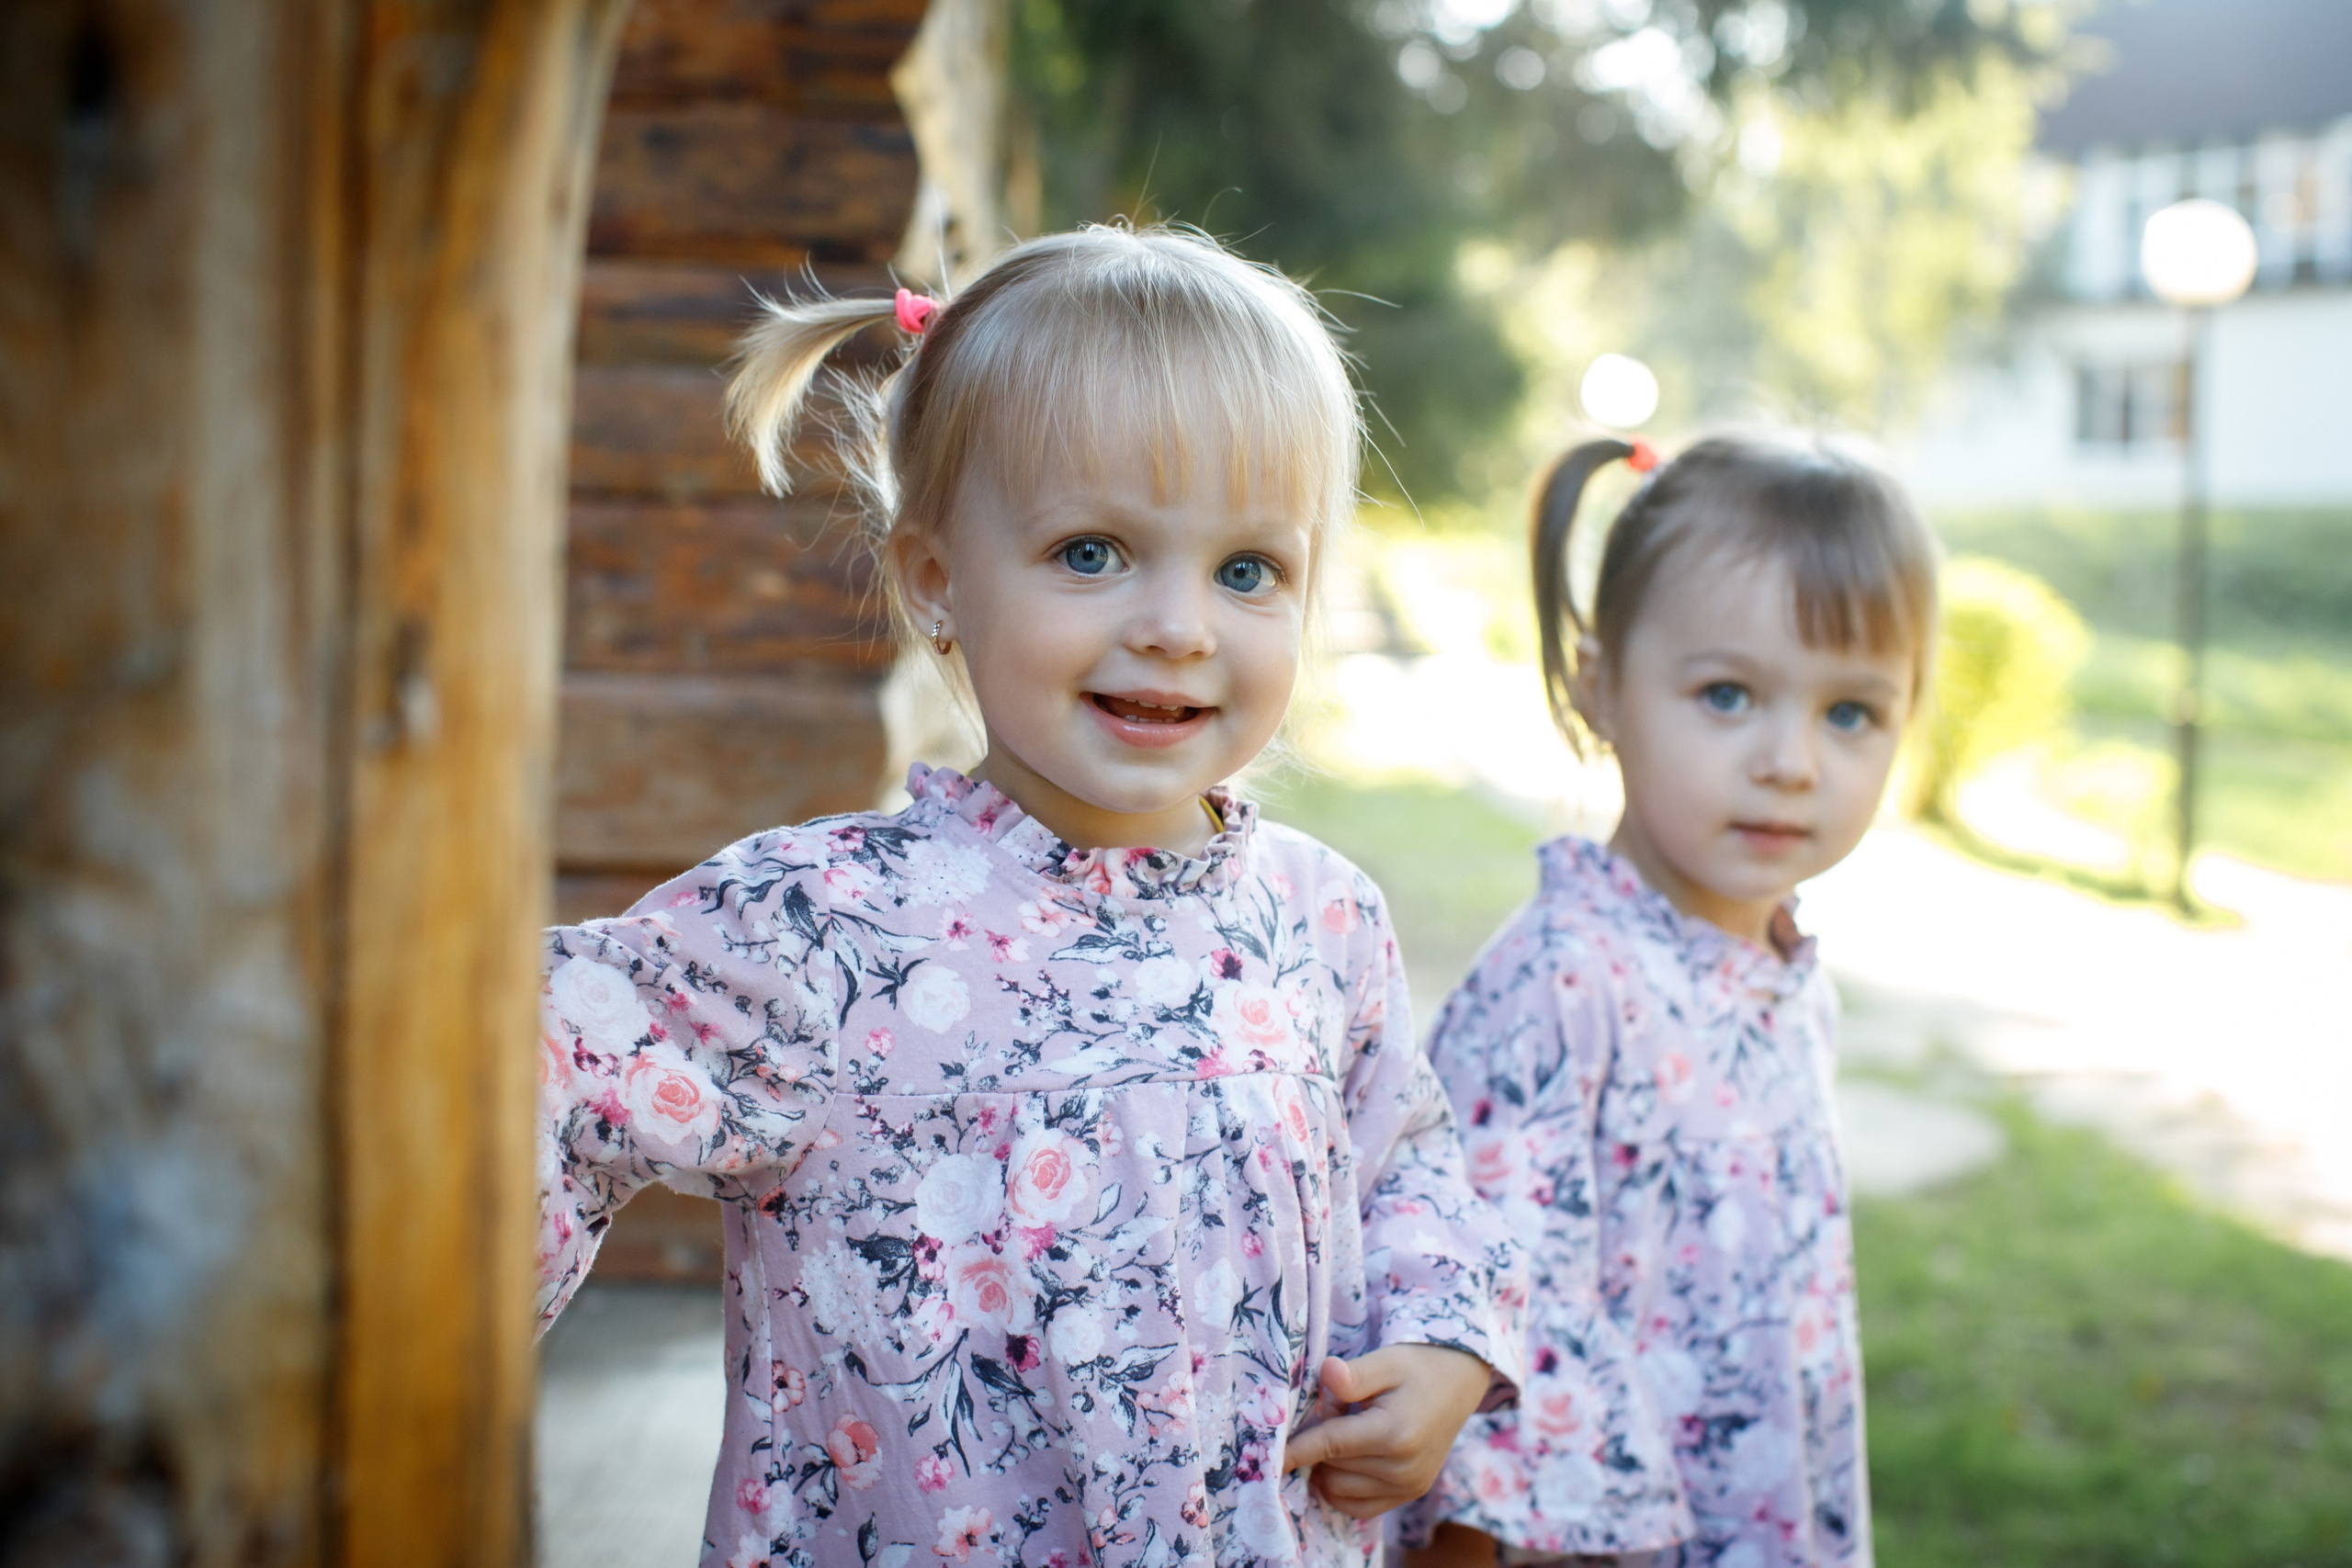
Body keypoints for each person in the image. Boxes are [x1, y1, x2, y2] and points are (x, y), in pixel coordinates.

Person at [534, 225, 1525, 1568]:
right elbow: (531, 1060)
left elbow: (1406, 1155)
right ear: (936, 577)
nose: (1179, 623)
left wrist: (1442, 1345)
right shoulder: (824, 928)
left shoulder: (1320, 915)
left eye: (1248, 569)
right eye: (1093, 551)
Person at [1398, 435, 1939, 1568]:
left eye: (1850, 713)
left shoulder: (1785, 976)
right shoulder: (1565, 985)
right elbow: (1475, 1334)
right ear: (1601, 683)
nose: (1791, 760)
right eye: (1727, 694)